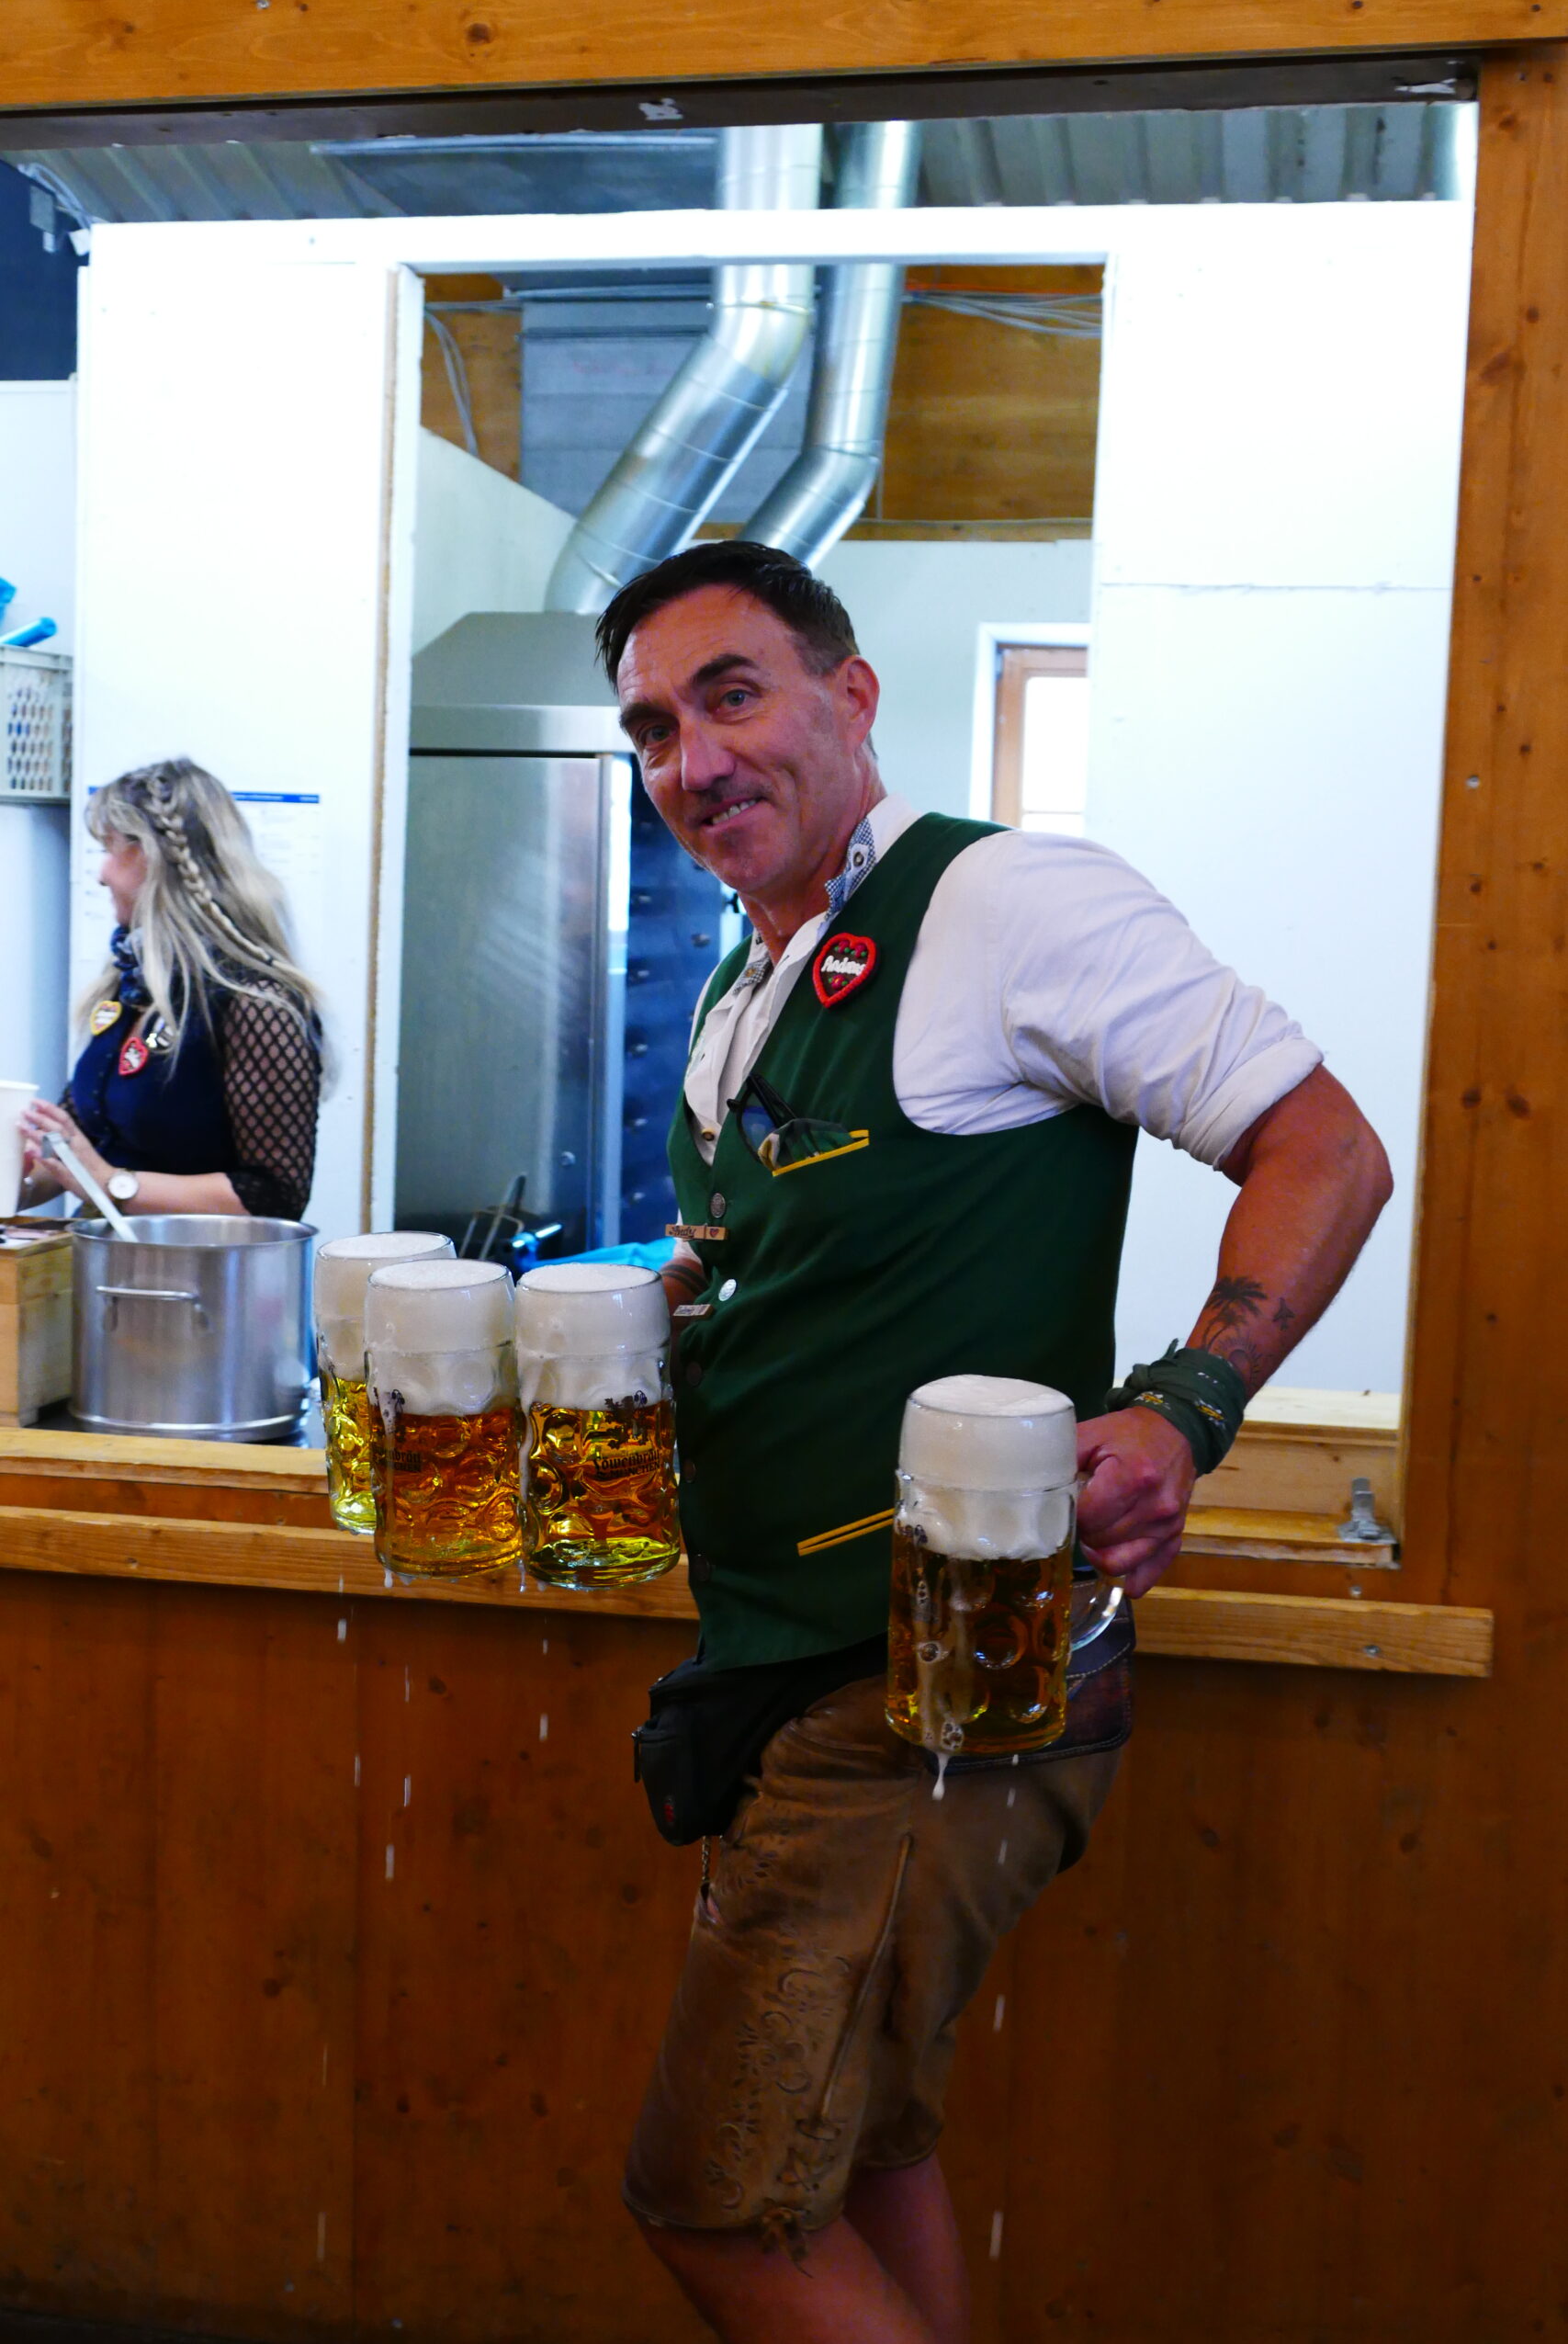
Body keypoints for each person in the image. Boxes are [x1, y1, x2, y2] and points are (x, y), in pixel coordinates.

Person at [597, 541, 1392, 2344]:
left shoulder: (1005, 901)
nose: (692, 761)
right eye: (651, 730)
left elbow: (1325, 1148)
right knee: (862, 2143)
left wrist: (1185, 1401)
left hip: (927, 1680)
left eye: (732, 695)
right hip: (780, 1660)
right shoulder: (741, 989)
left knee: (716, 2194)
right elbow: (785, 1259)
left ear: (851, 693)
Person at [17, 758, 323, 1222]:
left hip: (198, 1266)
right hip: (106, 1257)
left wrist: (111, 1182)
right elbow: (74, 1150)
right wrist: (17, 1177)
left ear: (152, 858)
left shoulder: (258, 1002)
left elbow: (274, 1196)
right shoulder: (130, 984)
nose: (101, 874)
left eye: (109, 849)